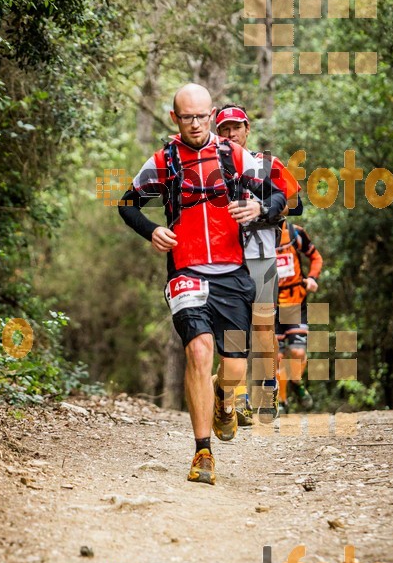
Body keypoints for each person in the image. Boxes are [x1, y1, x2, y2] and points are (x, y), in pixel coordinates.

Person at [118, 83, 290, 486]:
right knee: (199, 350)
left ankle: (223, 395)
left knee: (233, 369)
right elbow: (127, 203)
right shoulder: (164, 160)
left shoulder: (234, 155)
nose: (195, 124)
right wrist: (151, 230)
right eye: (186, 117)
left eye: (201, 116)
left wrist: (259, 207)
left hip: (233, 271)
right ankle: (202, 453)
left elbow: (278, 196)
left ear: (211, 115)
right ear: (175, 118)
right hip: (186, 270)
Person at [215, 105, 302, 426]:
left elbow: (297, 204)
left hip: (262, 255)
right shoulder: (210, 166)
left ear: (247, 129)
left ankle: (266, 395)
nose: (230, 134)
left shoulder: (266, 164)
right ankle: (236, 401)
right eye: (223, 129)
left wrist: (263, 209)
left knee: (264, 325)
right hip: (225, 258)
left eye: (235, 128)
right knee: (233, 328)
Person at [275, 219, 323, 413]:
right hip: (269, 305)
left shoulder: (296, 234)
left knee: (297, 353)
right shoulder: (256, 237)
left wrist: (312, 278)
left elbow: (316, 258)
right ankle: (281, 402)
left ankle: (295, 381)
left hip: (295, 302)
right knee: (275, 358)